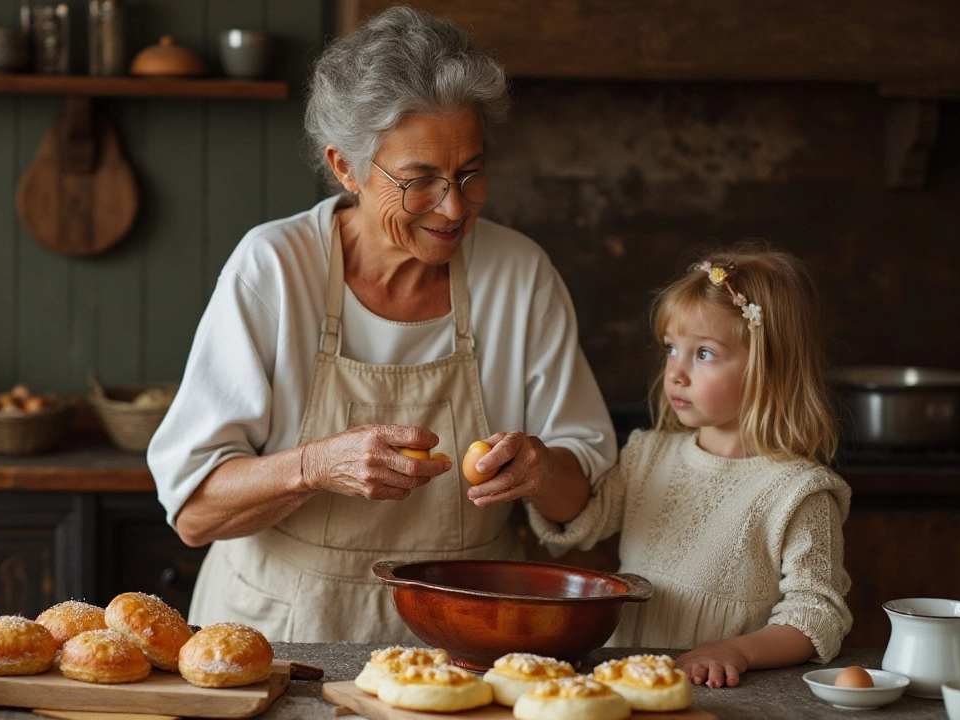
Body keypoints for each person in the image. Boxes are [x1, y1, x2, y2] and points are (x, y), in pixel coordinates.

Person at [147, 6, 616, 643]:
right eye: (420, 180)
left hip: (463, 630)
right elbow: (196, 512)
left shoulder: (519, 272)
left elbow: (582, 503)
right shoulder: (275, 268)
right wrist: (314, 466)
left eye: (470, 172)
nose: (454, 208)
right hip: (282, 632)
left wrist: (539, 468)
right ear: (346, 167)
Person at [531, 247, 853, 688]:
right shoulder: (647, 455)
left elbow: (817, 614)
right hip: (628, 684)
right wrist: (534, 474)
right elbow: (583, 523)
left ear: (769, 366)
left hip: (729, 697)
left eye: (704, 354)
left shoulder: (798, 491)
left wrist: (736, 650)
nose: (676, 373)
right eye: (671, 348)